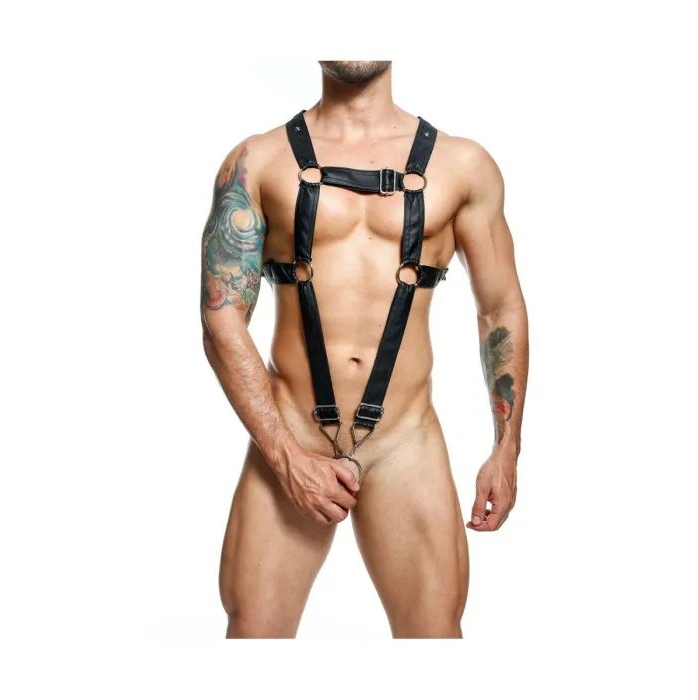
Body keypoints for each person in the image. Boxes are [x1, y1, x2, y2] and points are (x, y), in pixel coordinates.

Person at [200, 60, 529, 639]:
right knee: (253, 636)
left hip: (406, 441)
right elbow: (221, 316)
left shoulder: (463, 166)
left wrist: (507, 449)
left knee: (435, 640)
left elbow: (499, 307)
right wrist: (285, 457)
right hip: (292, 433)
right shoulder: (257, 161)